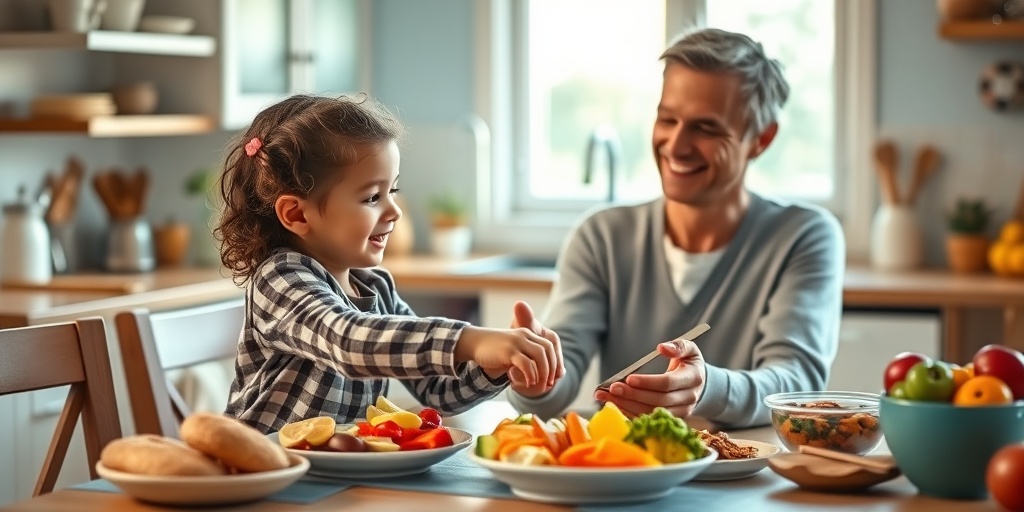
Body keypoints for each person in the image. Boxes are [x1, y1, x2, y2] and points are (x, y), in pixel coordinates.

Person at [507, 28, 845, 429]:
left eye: (706, 128)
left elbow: (794, 383)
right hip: (627, 474)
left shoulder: (803, 237)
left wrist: (707, 387)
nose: (676, 144)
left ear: (761, 138)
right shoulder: (601, 237)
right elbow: (554, 393)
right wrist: (533, 373)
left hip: (744, 479)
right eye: (667, 119)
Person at [216, 94, 563, 433]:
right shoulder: (279, 279)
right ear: (296, 214)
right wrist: (473, 340)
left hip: (334, 478)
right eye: (372, 197)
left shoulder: (375, 288)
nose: (394, 211)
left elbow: (438, 391)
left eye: (392, 191)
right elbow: (349, 341)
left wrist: (495, 366)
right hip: (258, 474)